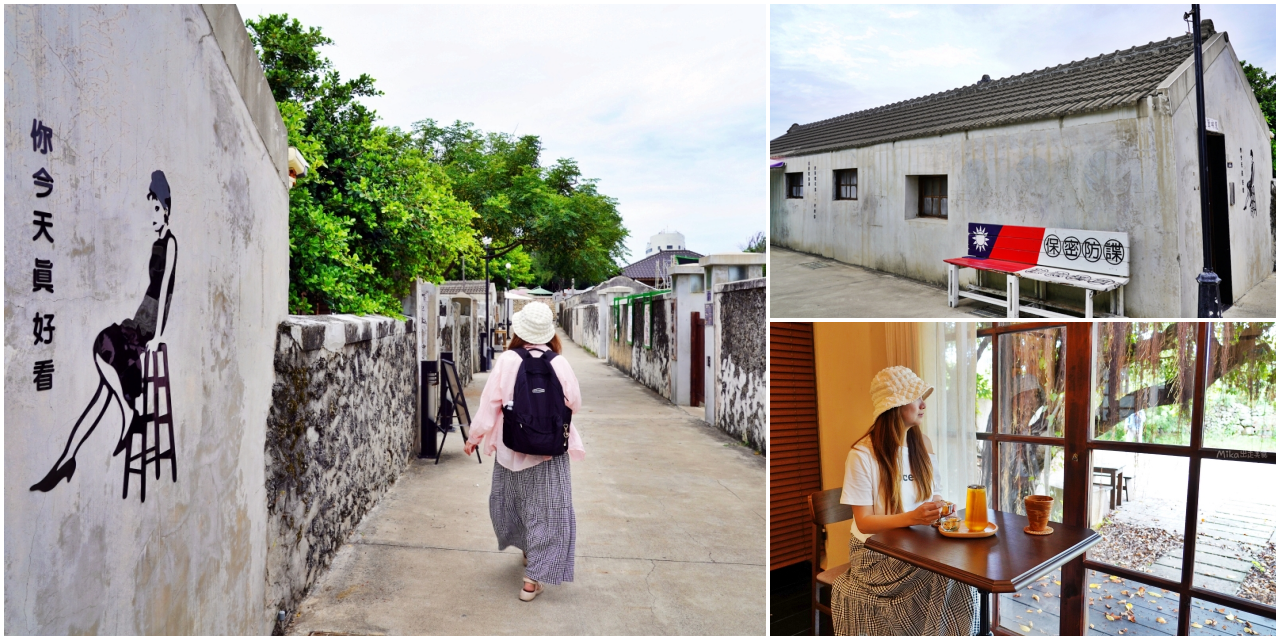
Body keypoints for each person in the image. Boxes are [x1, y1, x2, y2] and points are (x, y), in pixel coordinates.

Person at [31, 171, 178, 492]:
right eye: (149, 208)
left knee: (103, 344)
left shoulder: (171, 242)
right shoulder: (155, 241)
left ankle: (126, 416)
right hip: (139, 319)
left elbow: (166, 286)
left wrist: (160, 337)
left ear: (166, 209)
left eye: (156, 209)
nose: (152, 215)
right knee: (103, 389)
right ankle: (69, 458)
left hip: (150, 327)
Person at [829, 366, 979, 635]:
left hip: (917, 542)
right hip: (873, 553)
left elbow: (933, 494)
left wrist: (940, 507)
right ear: (894, 406)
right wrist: (913, 518)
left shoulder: (924, 445)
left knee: (963, 571)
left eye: (923, 398)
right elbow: (863, 523)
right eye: (916, 398)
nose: (923, 405)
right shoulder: (862, 455)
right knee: (944, 576)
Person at [463, 302, 584, 601]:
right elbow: (575, 403)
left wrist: (475, 436)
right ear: (549, 333)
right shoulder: (559, 363)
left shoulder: (507, 360)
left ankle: (529, 551)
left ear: (519, 330)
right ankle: (532, 580)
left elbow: (490, 403)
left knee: (515, 503)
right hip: (550, 449)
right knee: (548, 510)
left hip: (511, 446)